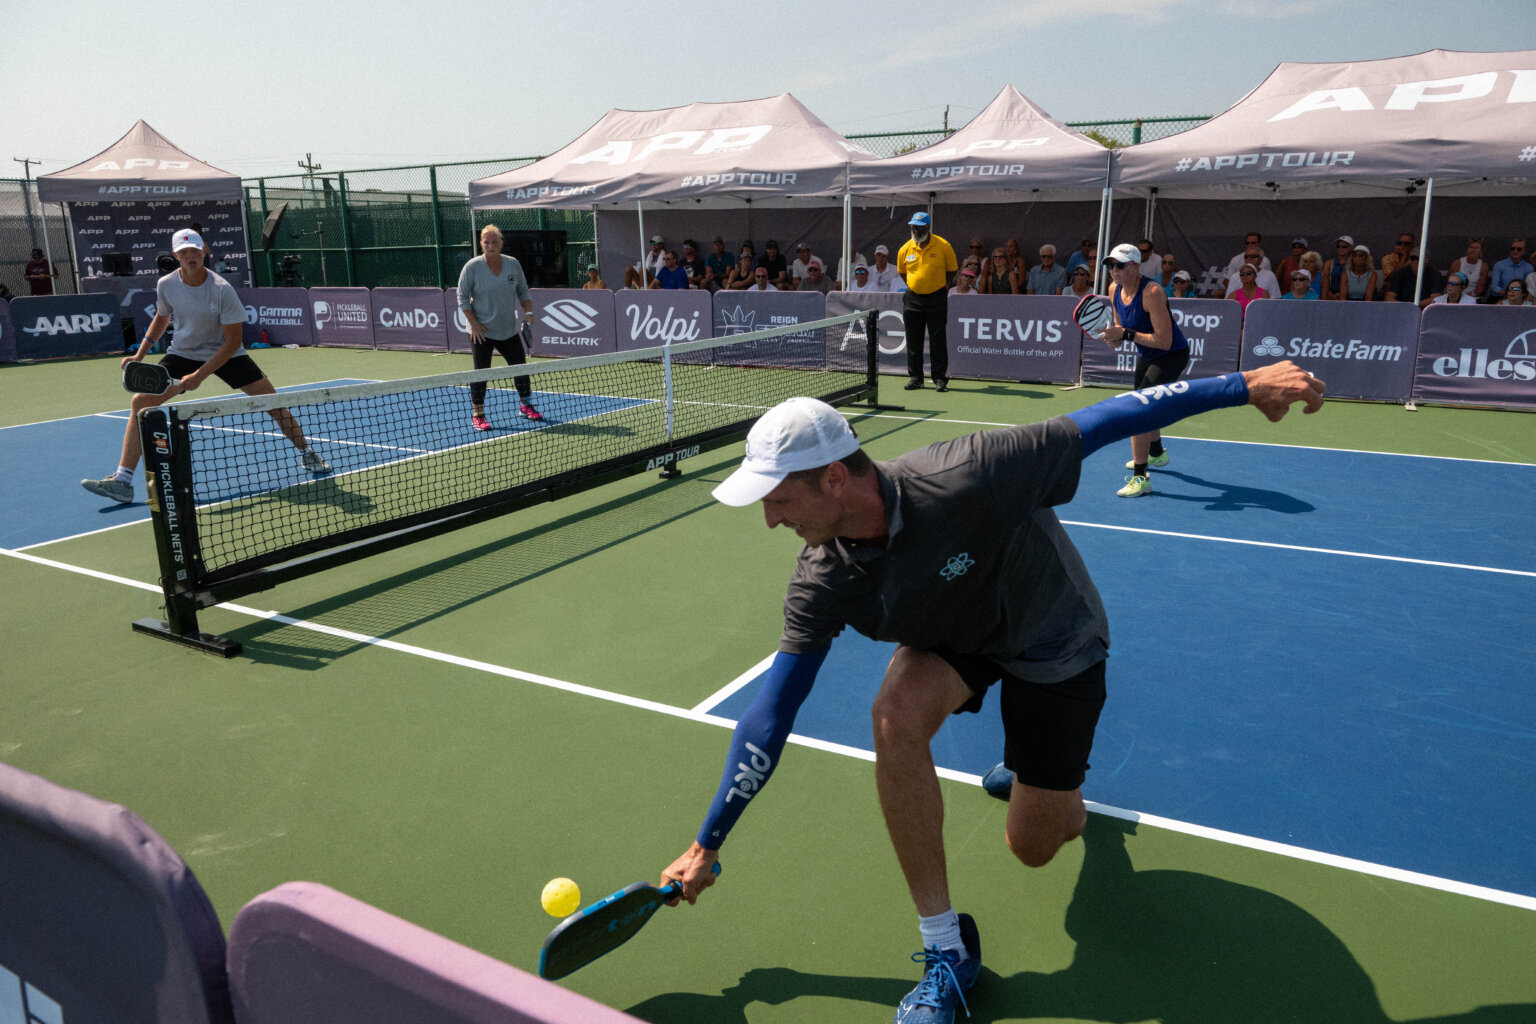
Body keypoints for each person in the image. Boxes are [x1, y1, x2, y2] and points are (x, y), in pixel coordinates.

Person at [660, 361, 1327, 1024]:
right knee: (893, 717)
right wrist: (707, 843)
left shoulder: (967, 473)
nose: (770, 519)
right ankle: (946, 949)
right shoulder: (824, 579)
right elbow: (772, 713)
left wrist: (1242, 385)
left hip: (1051, 637)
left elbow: (1109, 419)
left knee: (1037, 844)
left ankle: (1057, 795)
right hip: (957, 636)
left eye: (778, 499)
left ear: (835, 479)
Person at [80, 228, 329, 504]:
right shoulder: (166, 284)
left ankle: (307, 453)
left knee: (272, 403)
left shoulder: (222, 289)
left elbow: (233, 341)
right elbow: (162, 318)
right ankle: (123, 481)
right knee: (141, 403)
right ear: (175, 255)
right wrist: (140, 354)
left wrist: (199, 375)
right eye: (184, 252)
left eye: (195, 250)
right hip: (183, 352)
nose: (190, 256)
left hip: (227, 354)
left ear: (204, 252)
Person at [1098, 242, 1193, 497]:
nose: (1113, 270)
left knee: (1138, 408)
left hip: (1171, 355)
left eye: (1119, 265)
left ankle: (1141, 479)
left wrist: (1126, 334)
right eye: (1110, 265)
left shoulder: (1152, 291)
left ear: (1135, 267)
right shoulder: (1113, 289)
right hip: (1147, 354)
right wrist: (1115, 338)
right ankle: (1156, 453)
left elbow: (1164, 341)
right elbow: (1122, 332)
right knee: (1144, 402)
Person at [459, 224, 541, 429]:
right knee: (481, 373)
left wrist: (528, 312)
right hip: (481, 332)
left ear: (501, 243)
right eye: (486, 242)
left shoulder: (513, 264)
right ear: (481, 244)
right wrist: (474, 324)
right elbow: (461, 297)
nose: (490, 245)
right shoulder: (472, 266)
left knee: (520, 368)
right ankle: (478, 415)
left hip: (507, 330)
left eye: (494, 241)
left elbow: (523, 292)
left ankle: (526, 405)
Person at [897, 212, 958, 393]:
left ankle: (940, 378)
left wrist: (941, 286)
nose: (914, 230)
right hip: (913, 298)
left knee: (937, 339)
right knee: (913, 339)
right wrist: (916, 285)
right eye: (913, 227)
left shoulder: (943, 245)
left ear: (927, 227)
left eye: (918, 227)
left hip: (936, 298)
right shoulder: (905, 249)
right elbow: (902, 272)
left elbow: (952, 269)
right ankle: (916, 378)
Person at [1486, 239, 1532, 305]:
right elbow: (1494, 285)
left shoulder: (1529, 267)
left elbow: (1528, 287)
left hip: (1520, 298)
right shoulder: (1499, 265)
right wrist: (1506, 294)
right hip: (1499, 297)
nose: (1515, 250)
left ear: (1524, 251)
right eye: (1512, 248)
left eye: (1519, 249)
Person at [1321, 235, 1353, 300]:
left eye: (1344, 247)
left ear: (1351, 248)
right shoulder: (1329, 263)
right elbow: (1324, 284)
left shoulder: (1354, 263)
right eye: (1338, 246)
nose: (1340, 249)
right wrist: (1328, 296)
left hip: (1349, 297)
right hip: (1331, 297)